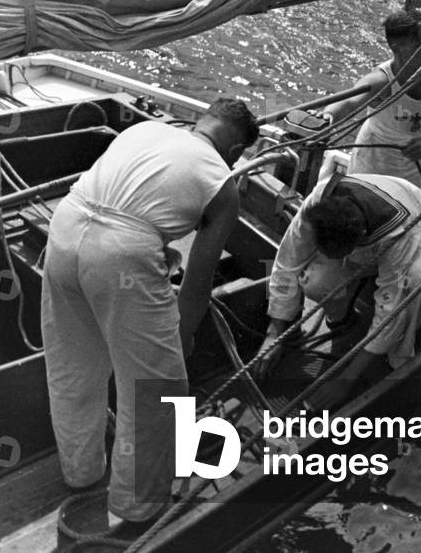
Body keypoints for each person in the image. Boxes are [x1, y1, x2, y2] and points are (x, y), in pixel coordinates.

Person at [41, 99, 259, 530]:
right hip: (122, 255)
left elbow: (122, 204)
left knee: (74, 366)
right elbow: (197, 281)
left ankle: (80, 473)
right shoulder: (223, 182)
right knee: (158, 388)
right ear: (235, 151)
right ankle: (137, 506)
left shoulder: (142, 132)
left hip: (64, 229)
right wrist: (184, 335)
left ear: (204, 121)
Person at [254, 171, 421, 408]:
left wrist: (346, 380)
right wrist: (274, 333)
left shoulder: (402, 233)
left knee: (418, 281)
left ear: (357, 241)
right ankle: (341, 320)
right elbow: (286, 262)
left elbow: (389, 311)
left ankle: (398, 357)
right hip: (363, 240)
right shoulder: (317, 203)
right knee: (316, 280)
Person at [322, 9, 421, 192]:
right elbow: (348, 102)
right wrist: (327, 117)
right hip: (373, 164)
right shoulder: (381, 81)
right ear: (396, 46)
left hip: (416, 165)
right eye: (419, 43)